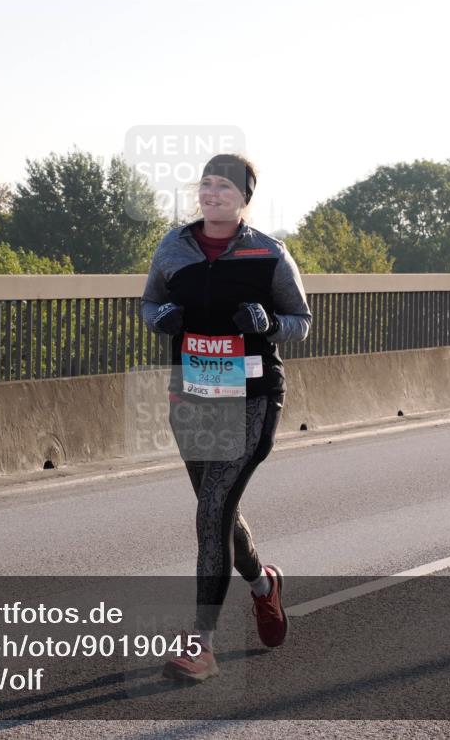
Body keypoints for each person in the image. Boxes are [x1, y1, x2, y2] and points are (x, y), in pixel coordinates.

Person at [140, 153, 312, 682]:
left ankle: (202, 645)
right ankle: (263, 584)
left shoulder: (269, 253)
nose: (212, 194)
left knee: (212, 510)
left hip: (253, 398)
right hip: (193, 397)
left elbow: (300, 320)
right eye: (207, 184)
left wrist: (268, 323)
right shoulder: (173, 247)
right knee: (218, 512)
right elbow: (149, 304)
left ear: (244, 199)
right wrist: (160, 318)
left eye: (225, 187)